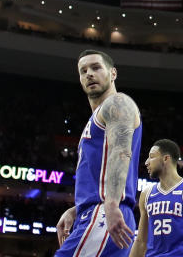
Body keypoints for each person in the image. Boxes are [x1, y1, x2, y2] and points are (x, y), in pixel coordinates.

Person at [55, 51, 143, 257]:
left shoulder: (117, 103)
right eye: (83, 71)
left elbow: (121, 152)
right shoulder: (97, 118)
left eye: (96, 67)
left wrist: (110, 204)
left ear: (113, 73)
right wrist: (77, 210)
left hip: (103, 213)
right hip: (97, 212)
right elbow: (98, 175)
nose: (89, 74)